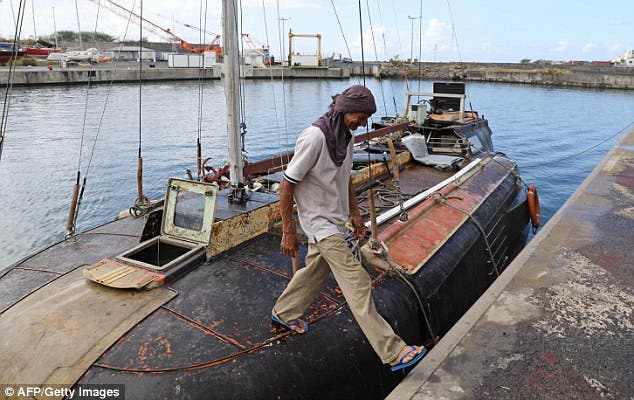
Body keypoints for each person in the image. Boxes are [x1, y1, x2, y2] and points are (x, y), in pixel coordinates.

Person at [271, 85, 426, 371]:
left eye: (367, 118)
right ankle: (393, 351)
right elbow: (287, 184)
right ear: (344, 109)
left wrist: (355, 215)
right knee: (358, 282)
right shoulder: (315, 137)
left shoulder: (346, 137)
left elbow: (345, 181)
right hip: (319, 223)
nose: (363, 123)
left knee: (316, 271)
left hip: (334, 220)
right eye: (361, 116)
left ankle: (284, 312)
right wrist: (288, 231)